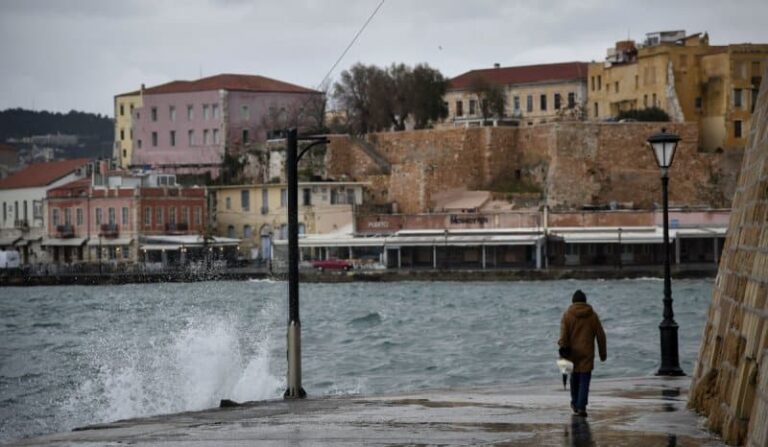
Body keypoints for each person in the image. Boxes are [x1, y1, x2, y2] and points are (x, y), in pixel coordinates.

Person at [558, 289, 607, 417]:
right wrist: (603, 354)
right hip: (587, 352)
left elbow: (563, 335)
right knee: (585, 380)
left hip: (571, 353)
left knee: (574, 378)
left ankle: (575, 403)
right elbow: (601, 335)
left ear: (573, 302)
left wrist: (562, 348)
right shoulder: (592, 315)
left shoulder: (567, 315)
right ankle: (582, 407)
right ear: (585, 301)